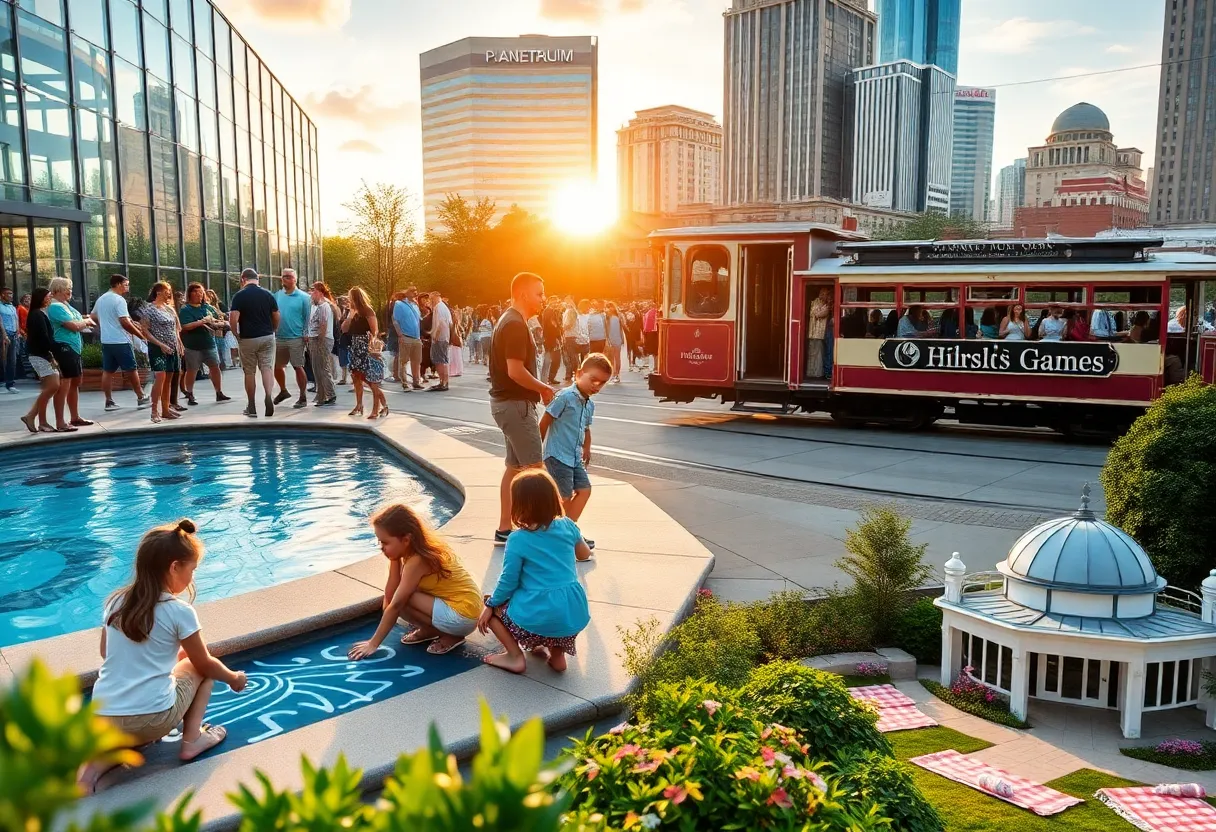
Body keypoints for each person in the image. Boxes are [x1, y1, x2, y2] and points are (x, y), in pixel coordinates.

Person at [80, 520, 248, 793]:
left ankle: (90, 774)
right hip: (153, 719)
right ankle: (192, 740)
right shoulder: (179, 611)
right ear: (174, 567)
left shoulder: (115, 602)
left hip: (104, 717)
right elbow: (204, 663)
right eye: (192, 569)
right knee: (200, 669)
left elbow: (106, 652)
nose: (192, 577)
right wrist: (233, 678)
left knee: (119, 737)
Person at [477, 470, 592, 674]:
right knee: (554, 613)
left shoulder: (518, 539)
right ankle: (557, 655)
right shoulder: (568, 525)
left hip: (538, 615)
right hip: (571, 613)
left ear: (519, 505)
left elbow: (508, 581)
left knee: (492, 607)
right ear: (554, 498)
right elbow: (584, 554)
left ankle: (514, 656)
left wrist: (490, 604)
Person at [347, 504, 483, 660]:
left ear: (406, 539)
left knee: (403, 598)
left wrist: (373, 643)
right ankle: (431, 630)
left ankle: (452, 635)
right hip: (465, 610)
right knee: (401, 594)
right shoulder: (413, 552)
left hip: (462, 616)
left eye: (385, 542)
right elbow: (389, 598)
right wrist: (394, 560)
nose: (381, 547)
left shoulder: (417, 561)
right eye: (379, 542)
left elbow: (395, 604)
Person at [490, 272, 556, 545]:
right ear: (523, 294)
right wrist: (544, 388)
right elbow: (515, 371)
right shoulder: (515, 324)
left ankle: (505, 528)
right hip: (517, 406)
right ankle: (554, 534)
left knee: (515, 468)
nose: (543, 299)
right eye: (539, 293)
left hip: (506, 405)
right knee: (536, 472)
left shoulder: (508, 320)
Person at [541, 352, 610, 529]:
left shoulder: (589, 404)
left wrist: (587, 448)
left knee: (584, 490)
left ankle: (568, 530)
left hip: (574, 458)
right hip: (557, 456)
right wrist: (536, 451)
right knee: (563, 497)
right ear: (579, 373)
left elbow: (586, 428)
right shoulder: (565, 397)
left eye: (602, 383)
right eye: (593, 379)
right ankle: (555, 532)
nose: (597, 386)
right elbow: (545, 420)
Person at [229, 268, 280, 418]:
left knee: (249, 372)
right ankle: (268, 395)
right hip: (267, 336)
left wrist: (236, 335)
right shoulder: (268, 294)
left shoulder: (239, 296)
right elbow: (276, 315)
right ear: (257, 279)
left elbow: (233, 319)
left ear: (243, 279)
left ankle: (251, 406)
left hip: (248, 338)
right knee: (267, 368)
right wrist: (273, 329)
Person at [46, 277, 93, 431]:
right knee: (64, 384)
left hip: (73, 348)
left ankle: (75, 417)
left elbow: (78, 321)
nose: (70, 291)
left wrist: (84, 320)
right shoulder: (55, 307)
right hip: (63, 347)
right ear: (57, 290)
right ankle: (60, 422)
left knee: (75, 382)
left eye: (70, 288)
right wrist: (87, 321)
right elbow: (74, 326)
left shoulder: (66, 305)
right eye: (67, 288)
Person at [137, 282, 185, 424]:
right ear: (158, 292)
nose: (169, 293)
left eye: (169, 291)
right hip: (157, 349)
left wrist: (180, 344)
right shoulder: (148, 310)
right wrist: (160, 344)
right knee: (160, 378)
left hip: (172, 348)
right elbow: (145, 331)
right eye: (166, 291)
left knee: (169, 379)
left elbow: (176, 329)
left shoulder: (169, 309)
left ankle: (165, 409)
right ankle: (154, 411)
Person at [177, 283, 230, 405]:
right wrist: (202, 322)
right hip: (192, 345)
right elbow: (185, 326)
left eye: (200, 292)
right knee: (192, 370)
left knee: (215, 367)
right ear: (190, 294)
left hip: (209, 343)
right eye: (195, 291)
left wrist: (219, 323)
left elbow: (219, 318)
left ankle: (219, 392)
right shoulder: (186, 309)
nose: (198, 294)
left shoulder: (208, 307)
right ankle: (190, 394)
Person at [19, 287, 59, 434]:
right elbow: (43, 338)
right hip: (40, 355)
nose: (50, 299)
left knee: (48, 388)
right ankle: (32, 416)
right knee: (53, 386)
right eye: (48, 296)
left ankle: (41, 422)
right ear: (41, 298)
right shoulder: (37, 315)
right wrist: (52, 354)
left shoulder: (38, 313)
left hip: (40, 354)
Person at [343, 285, 387, 418]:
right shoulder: (352, 312)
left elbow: (374, 330)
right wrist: (350, 315)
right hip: (355, 347)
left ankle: (379, 407)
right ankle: (359, 405)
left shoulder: (367, 310)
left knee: (369, 379)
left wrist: (371, 345)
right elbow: (344, 329)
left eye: (350, 297)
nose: (348, 300)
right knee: (356, 377)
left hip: (365, 347)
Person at [271, 269, 311, 410]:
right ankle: (283, 391)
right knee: (276, 366)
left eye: (288, 277)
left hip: (296, 337)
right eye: (283, 277)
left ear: (295, 279)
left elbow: (308, 316)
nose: (285, 279)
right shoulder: (277, 295)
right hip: (280, 337)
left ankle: (302, 396)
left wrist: (306, 333)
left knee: (297, 366)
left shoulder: (304, 297)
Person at [306, 282, 337, 407]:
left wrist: (320, 341)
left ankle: (330, 394)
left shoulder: (324, 306)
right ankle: (321, 395)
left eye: (313, 291)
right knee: (317, 368)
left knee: (322, 368)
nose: (311, 294)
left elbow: (323, 324)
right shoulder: (317, 306)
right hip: (315, 339)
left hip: (321, 340)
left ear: (319, 292)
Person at [392, 287, 423, 391]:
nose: (415, 293)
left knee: (416, 361)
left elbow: (419, 320)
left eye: (416, 292)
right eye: (413, 291)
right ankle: (405, 383)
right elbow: (395, 320)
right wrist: (400, 335)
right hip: (406, 336)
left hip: (416, 337)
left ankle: (416, 382)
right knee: (403, 361)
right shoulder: (399, 304)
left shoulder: (415, 305)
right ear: (407, 293)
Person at [427, 290, 452, 392]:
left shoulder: (439, 307)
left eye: (431, 299)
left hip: (440, 338)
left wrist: (436, 336)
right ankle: (444, 382)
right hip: (445, 337)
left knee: (439, 360)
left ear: (435, 297)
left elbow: (441, 323)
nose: (431, 301)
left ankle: (443, 382)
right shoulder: (444, 307)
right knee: (443, 360)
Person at [805, 288, 831, 378]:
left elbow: (820, 313)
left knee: (819, 354)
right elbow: (817, 313)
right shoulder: (816, 302)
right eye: (824, 294)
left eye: (826, 294)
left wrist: (822, 308)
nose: (825, 296)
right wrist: (823, 308)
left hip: (819, 334)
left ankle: (817, 372)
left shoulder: (824, 304)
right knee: (814, 354)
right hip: (815, 333)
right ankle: (813, 373)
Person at [541, 297, 563, 384]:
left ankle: (548, 378)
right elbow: (552, 325)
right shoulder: (549, 311)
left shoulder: (550, 311)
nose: (556, 304)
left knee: (550, 360)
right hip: (551, 339)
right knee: (555, 360)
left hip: (550, 339)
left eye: (556, 302)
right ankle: (549, 378)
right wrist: (558, 336)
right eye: (554, 302)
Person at [0, 286, 19, 392]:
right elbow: (0, 322)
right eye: (9, 294)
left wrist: (18, 332)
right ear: (3, 295)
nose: (11, 296)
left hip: (13, 334)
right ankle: (3, 380)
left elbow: (16, 319)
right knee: (3, 358)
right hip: (4, 334)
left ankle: (10, 383)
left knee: (12, 359)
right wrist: (4, 335)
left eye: (12, 294)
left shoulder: (12, 307)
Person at [560, 299, 580, 384]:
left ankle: (574, 374)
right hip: (569, 336)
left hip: (570, 336)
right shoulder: (569, 311)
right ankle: (570, 374)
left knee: (572, 356)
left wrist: (562, 328)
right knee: (570, 356)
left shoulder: (571, 311)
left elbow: (570, 324)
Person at [604, 302, 624, 383]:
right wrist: (607, 339)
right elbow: (606, 329)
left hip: (617, 339)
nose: (609, 309)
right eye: (607, 307)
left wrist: (622, 338)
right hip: (610, 339)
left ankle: (617, 375)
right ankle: (612, 374)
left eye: (610, 307)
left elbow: (621, 329)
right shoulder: (606, 317)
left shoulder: (618, 317)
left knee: (617, 357)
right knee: (610, 358)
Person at [335, 295, 352, 385]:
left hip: (348, 337)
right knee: (343, 358)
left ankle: (348, 378)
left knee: (348, 358)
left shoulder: (351, 312)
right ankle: (344, 378)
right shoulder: (342, 311)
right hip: (343, 338)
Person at [449, 304, 464, 378]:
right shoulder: (456, 321)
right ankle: (458, 370)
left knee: (453, 357)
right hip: (457, 341)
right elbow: (461, 330)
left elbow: (453, 331)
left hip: (454, 341)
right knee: (457, 357)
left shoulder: (452, 321)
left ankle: (453, 371)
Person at [642, 302, 658, 370]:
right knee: (656, 352)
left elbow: (644, 326)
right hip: (655, 333)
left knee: (654, 352)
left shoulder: (647, 313)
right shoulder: (657, 313)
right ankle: (656, 366)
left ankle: (655, 366)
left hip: (649, 334)